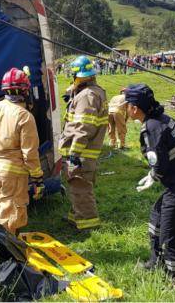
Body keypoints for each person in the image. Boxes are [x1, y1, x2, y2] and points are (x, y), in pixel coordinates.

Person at [124, 84, 175, 283]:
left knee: (171, 233)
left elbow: (159, 161)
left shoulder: (151, 128)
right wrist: (154, 173)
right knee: (157, 217)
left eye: (127, 105)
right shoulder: (159, 119)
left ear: (135, 108)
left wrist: (154, 175)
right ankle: (155, 264)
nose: (125, 108)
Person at [0, 67, 44, 235]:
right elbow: (30, 152)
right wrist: (37, 177)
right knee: (11, 215)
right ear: (25, 91)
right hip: (13, 174)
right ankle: (7, 254)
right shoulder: (24, 116)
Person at [59, 55, 108, 232]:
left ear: (77, 75)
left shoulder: (87, 96)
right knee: (76, 188)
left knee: (81, 188)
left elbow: (83, 127)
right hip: (84, 152)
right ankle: (75, 218)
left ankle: (88, 226)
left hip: (81, 153)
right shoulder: (91, 92)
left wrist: (74, 153)